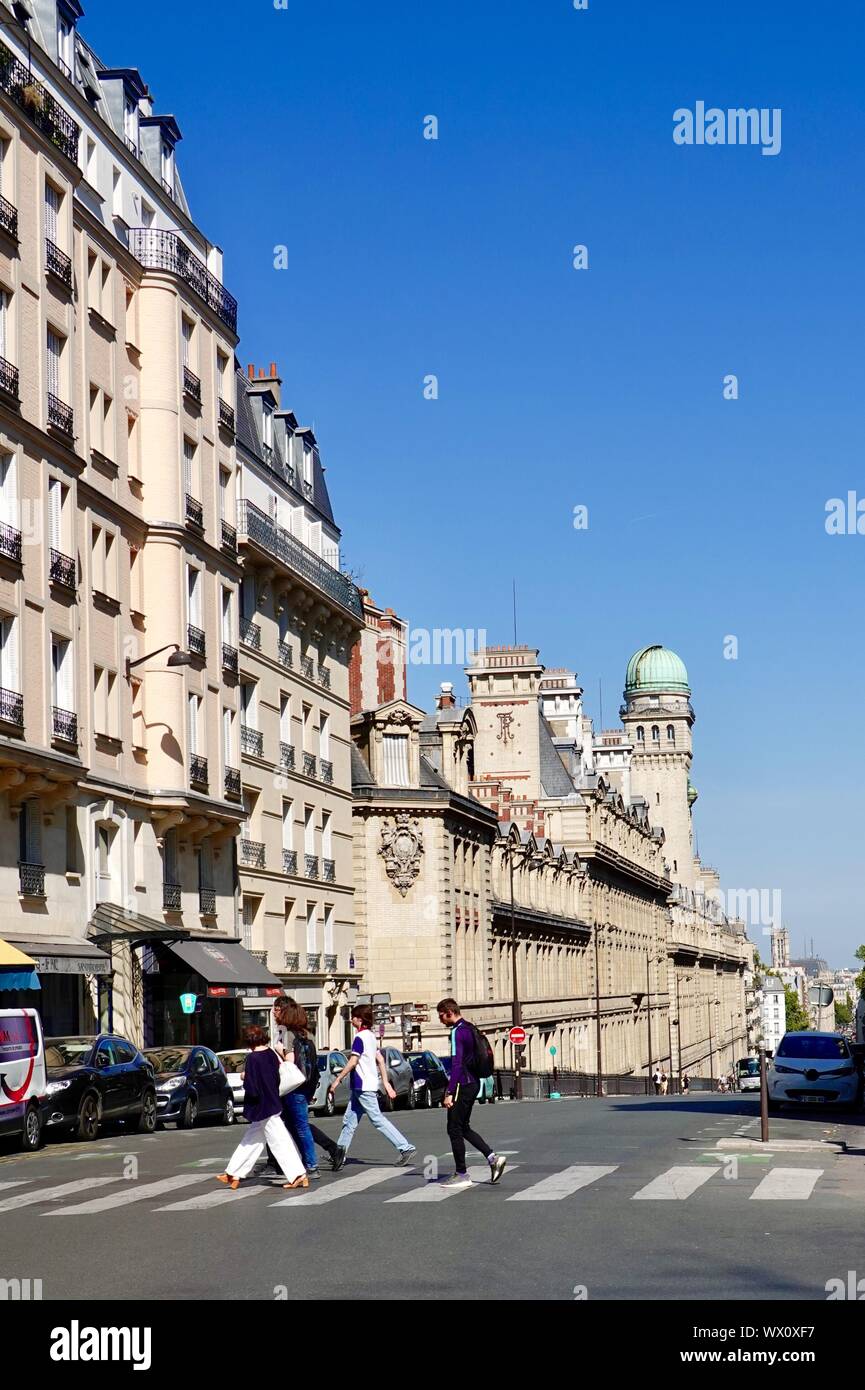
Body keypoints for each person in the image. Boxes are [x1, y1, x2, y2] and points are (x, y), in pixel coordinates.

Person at [217, 1025, 307, 1191]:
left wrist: (245, 1076)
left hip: (263, 1105)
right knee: (251, 1141)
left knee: (279, 1142)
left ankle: (297, 1174)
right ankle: (233, 1173)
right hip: (272, 1101)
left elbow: (252, 1087)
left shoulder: (253, 1058)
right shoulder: (270, 1053)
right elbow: (275, 1077)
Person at [328, 1005, 416, 1169]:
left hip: (363, 1086)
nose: (351, 1019)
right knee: (349, 1121)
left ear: (359, 1019)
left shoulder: (360, 1038)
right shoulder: (371, 1036)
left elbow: (353, 1061)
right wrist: (386, 1083)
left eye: (353, 1017)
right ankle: (339, 1155)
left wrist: (338, 1079)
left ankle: (405, 1148)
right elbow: (381, 1060)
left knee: (377, 1120)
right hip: (362, 1087)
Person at [436, 998, 507, 1189]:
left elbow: (457, 1063)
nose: (440, 1019)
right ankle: (493, 1159)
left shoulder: (457, 1032)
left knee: (454, 1129)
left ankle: (461, 1174)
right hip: (473, 1082)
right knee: (463, 1127)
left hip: (462, 1084)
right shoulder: (469, 1027)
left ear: (449, 1012)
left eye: (441, 1015)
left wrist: (450, 1091)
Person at [272, 996, 337, 1178]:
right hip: (306, 1085)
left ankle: (311, 1164)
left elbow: (290, 1062)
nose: (274, 1013)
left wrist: (279, 1052)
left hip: (292, 1087)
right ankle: (302, 1162)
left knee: (300, 1126)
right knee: (294, 1125)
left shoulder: (286, 1034)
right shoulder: (308, 1035)